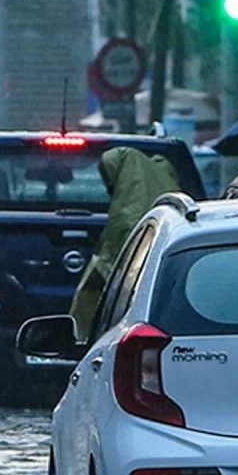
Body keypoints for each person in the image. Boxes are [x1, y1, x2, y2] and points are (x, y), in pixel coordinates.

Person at [68, 146, 182, 341]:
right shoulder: (161, 185)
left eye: (106, 175)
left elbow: (110, 254)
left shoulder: (127, 211)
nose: (107, 185)